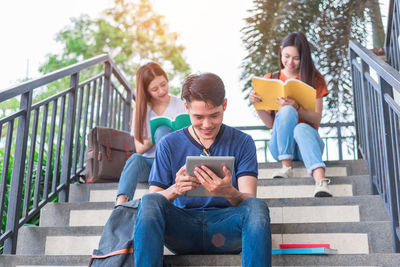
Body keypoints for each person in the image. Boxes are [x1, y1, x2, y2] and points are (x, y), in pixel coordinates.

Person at [134, 73, 272, 266]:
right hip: (182, 229)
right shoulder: (168, 144)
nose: (207, 125)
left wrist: (229, 193)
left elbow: (249, 199)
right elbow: (154, 200)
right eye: (198, 117)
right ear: (186, 108)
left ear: (224, 105)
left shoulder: (243, 142)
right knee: (148, 202)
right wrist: (176, 189)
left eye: (214, 115)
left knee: (257, 206)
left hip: (227, 228)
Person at [249, 32, 332, 197]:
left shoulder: (314, 79)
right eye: (286, 56)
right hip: (280, 147)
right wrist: (257, 105)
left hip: (306, 145)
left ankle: (321, 182)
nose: (290, 62)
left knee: (301, 127)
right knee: (286, 111)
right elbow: (271, 125)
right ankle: (286, 166)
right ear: (281, 52)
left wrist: (298, 108)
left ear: (304, 57)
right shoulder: (270, 78)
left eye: (296, 58)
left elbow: (317, 118)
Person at [115, 62, 186, 205]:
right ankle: (120, 204)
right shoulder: (141, 111)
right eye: (155, 89)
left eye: (163, 84)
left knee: (164, 132)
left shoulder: (180, 104)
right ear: (146, 91)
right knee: (135, 158)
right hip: (150, 165)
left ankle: (159, 194)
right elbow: (139, 148)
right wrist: (157, 135)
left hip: (175, 164)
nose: (161, 91)